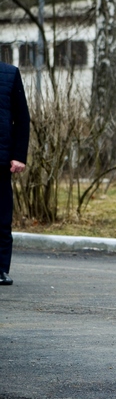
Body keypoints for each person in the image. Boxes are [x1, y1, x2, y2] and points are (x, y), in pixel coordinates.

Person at [0, 61, 30, 286]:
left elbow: (22, 118)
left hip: (1, 159)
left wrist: (19, 155)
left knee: (1, 217)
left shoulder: (10, 74)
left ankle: (0, 269)